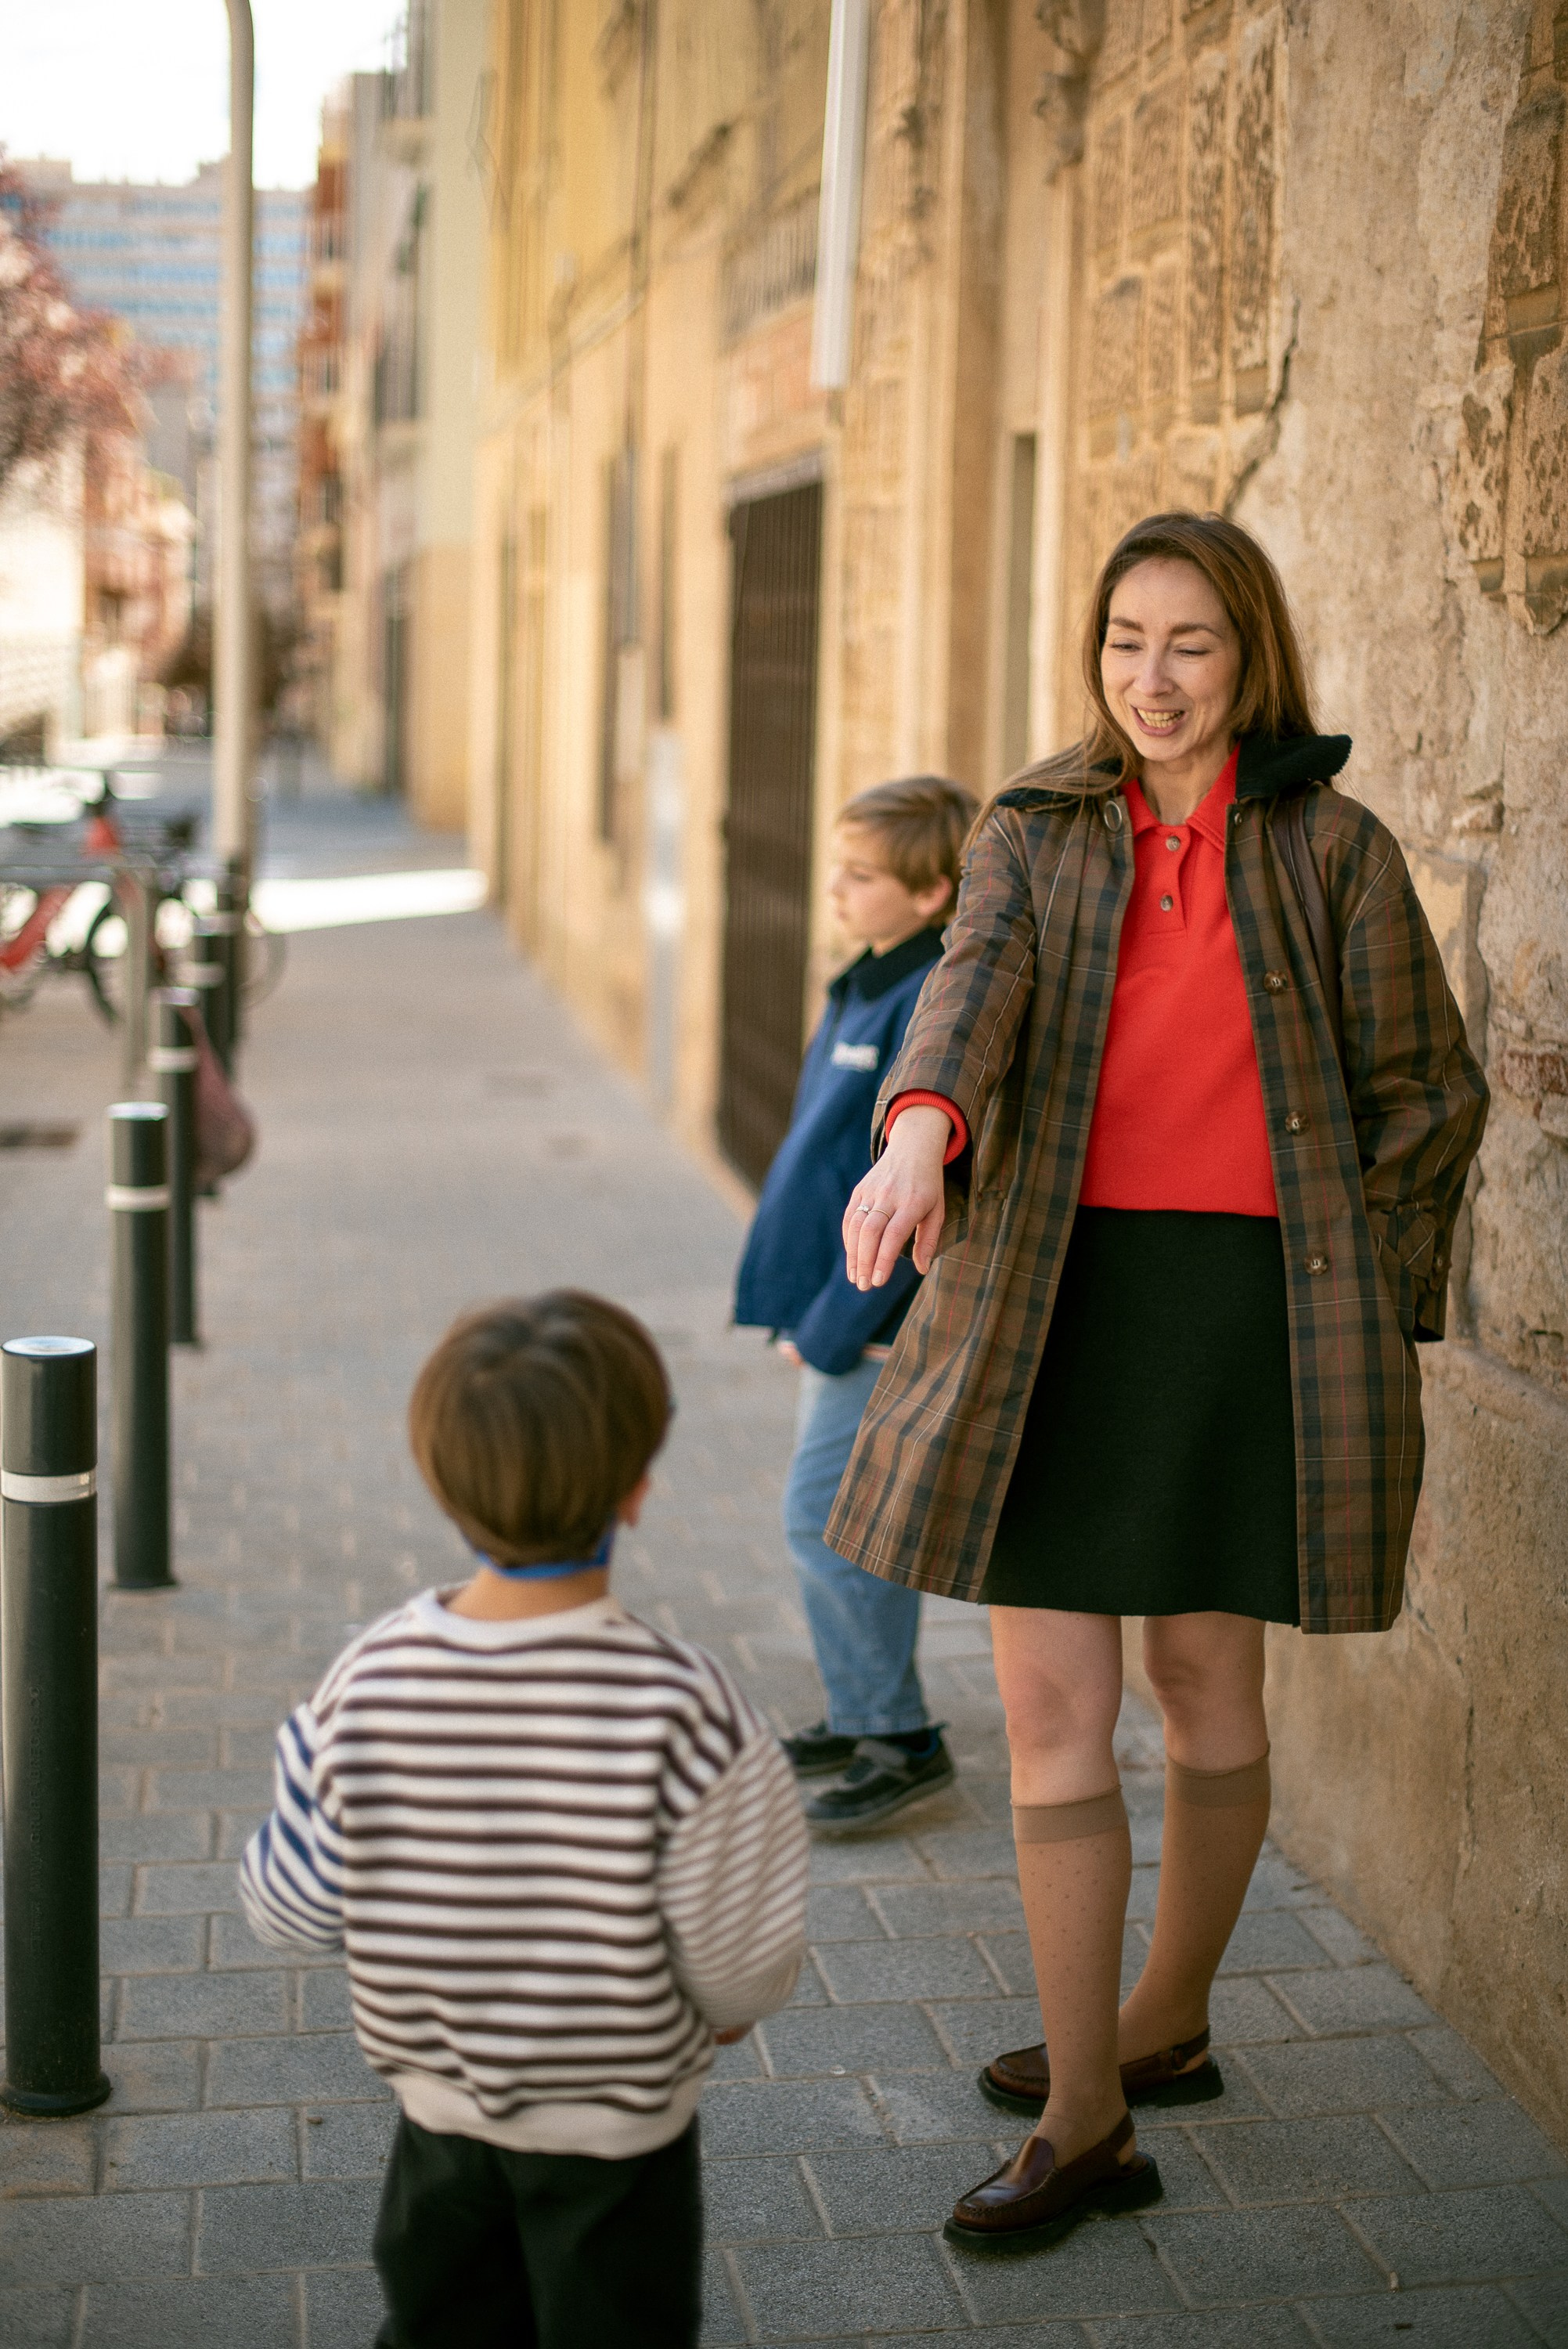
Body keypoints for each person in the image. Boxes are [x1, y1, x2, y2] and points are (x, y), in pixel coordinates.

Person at [828, 511, 1488, 2253]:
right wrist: (916, 1141)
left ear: (1247, 656)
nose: (1154, 676)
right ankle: (1086, 2114)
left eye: (1190, 642)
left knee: (1205, 1692)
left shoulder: (1334, 849)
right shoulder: (1038, 833)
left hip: (1242, 1322)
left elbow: (1429, 1092)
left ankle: (1166, 2019)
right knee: (1052, 1715)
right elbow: (964, 1003)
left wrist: (1354, 1291)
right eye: (1127, 639)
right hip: (1051, 1302)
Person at [239, 1291, 809, 2347]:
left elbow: (291, 1908)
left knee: (440, 2327)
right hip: (623, 2143)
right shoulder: (687, 1708)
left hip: (439, 2125)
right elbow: (740, 1968)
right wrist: (728, 2009)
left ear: (443, 1485)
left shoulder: (364, 1683)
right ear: (637, 1490)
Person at [734, 775, 978, 1831]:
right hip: (834, 1310)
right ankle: (862, 1707)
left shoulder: (930, 1001)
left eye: (862, 875)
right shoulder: (865, 981)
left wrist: (834, 1322)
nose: (835, 888)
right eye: (838, 865)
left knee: (829, 1520)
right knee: (831, 1518)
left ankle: (900, 1735)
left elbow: (912, 1185)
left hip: (876, 1319)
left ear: (931, 894)